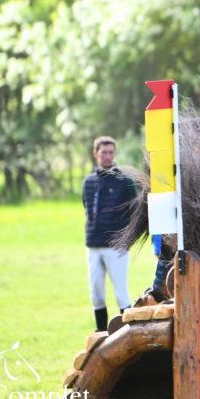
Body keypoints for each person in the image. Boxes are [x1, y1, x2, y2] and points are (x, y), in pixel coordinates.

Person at [82, 136, 137, 331]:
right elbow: (87, 209)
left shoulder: (124, 181)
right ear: (96, 154)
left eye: (111, 152)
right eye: (103, 152)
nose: (107, 156)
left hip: (116, 247)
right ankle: (101, 333)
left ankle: (128, 333)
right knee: (96, 294)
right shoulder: (88, 182)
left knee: (121, 294)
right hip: (93, 245)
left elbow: (135, 210)